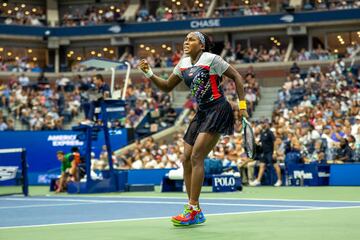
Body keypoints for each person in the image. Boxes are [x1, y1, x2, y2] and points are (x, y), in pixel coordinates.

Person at [139, 31, 248, 226]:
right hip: (202, 112)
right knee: (186, 158)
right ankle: (192, 209)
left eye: (192, 39)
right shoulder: (182, 64)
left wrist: (242, 106)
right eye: (186, 39)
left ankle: (194, 208)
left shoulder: (212, 59)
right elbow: (166, 86)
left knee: (197, 156)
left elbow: (237, 77)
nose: (186, 42)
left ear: (202, 45)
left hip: (218, 109)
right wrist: (149, 73)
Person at [249, 120, 281, 187]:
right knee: (262, 166)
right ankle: (258, 180)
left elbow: (275, 142)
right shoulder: (261, 133)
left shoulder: (270, 132)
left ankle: (279, 180)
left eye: (263, 123)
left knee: (275, 165)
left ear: (266, 124)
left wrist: (274, 152)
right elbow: (260, 142)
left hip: (270, 152)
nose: (262, 124)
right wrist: (257, 143)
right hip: (264, 153)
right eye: (261, 123)